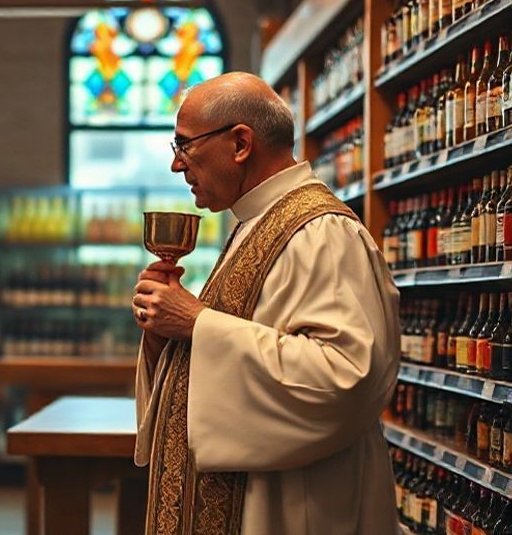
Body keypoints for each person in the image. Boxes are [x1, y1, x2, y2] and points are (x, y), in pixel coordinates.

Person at [131, 72, 400, 534]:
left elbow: (347, 377)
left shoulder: (322, 232)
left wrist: (198, 324)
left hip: (291, 505)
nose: (177, 166)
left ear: (240, 143)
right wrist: (164, 333)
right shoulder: (256, 222)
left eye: (184, 145)